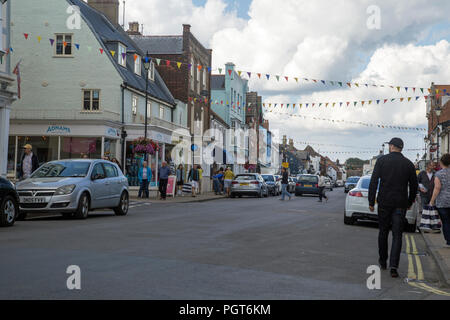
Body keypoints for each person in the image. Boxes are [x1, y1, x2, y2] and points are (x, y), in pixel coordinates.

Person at [368, 138, 418, 278]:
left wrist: (371, 201)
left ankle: (383, 261)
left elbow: (373, 181)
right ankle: (394, 267)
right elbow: (414, 186)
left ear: (391, 146)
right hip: (400, 203)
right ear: (401, 148)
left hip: (384, 202)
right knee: (397, 235)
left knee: (383, 232)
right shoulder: (408, 164)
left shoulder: (382, 161)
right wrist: (409, 202)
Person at [429, 154, 450, 248]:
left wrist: (432, 201)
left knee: (446, 222)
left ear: (441, 162)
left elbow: (437, 188)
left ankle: (449, 240)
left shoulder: (438, 174)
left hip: (442, 202)